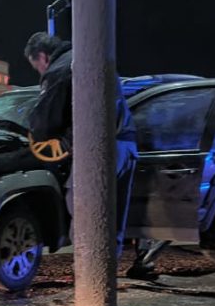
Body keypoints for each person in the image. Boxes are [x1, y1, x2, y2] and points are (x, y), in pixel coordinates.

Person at [23, 32, 138, 257]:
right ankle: (107, 270)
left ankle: (88, 269)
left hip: (96, 148)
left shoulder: (59, 70)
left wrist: (35, 128)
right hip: (126, 144)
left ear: (43, 57)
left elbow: (45, 123)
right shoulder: (90, 58)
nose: (40, 72)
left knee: (82, 206)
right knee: (113, 214)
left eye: (37, 67)